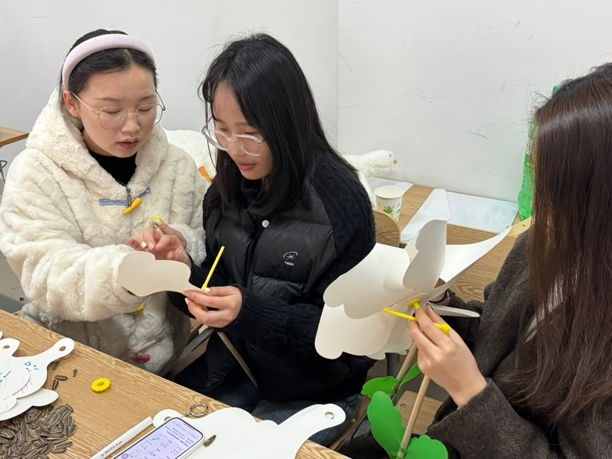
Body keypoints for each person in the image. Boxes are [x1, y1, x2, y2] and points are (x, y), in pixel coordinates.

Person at [341, 64, 612, 458]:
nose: (538, 204)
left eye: (557, 190)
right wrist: (442, 305)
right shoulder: (544, 244)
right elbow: (495, 336)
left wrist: (468, 390)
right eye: (538, 178)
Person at [129, 33, 376, 446]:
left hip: (316, 391)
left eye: (248, 134)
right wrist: (181, 272)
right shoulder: (224, 191)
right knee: (153, 438)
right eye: (221, 130)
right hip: (236, 368)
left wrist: (250, 313)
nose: (233, 149)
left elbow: (354, 338)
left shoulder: (340, 204)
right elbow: (217, 298)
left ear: (287, 124)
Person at [0, 29, 207, 375]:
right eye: (111, 111)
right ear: (71, 103)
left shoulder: (177, 166)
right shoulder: (36, 172)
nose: (132, 126)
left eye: (145, 107)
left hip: (165, 358)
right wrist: (122, 273)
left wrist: (183, 245)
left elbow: (205, 239)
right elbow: (42, 270)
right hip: (68, 358)